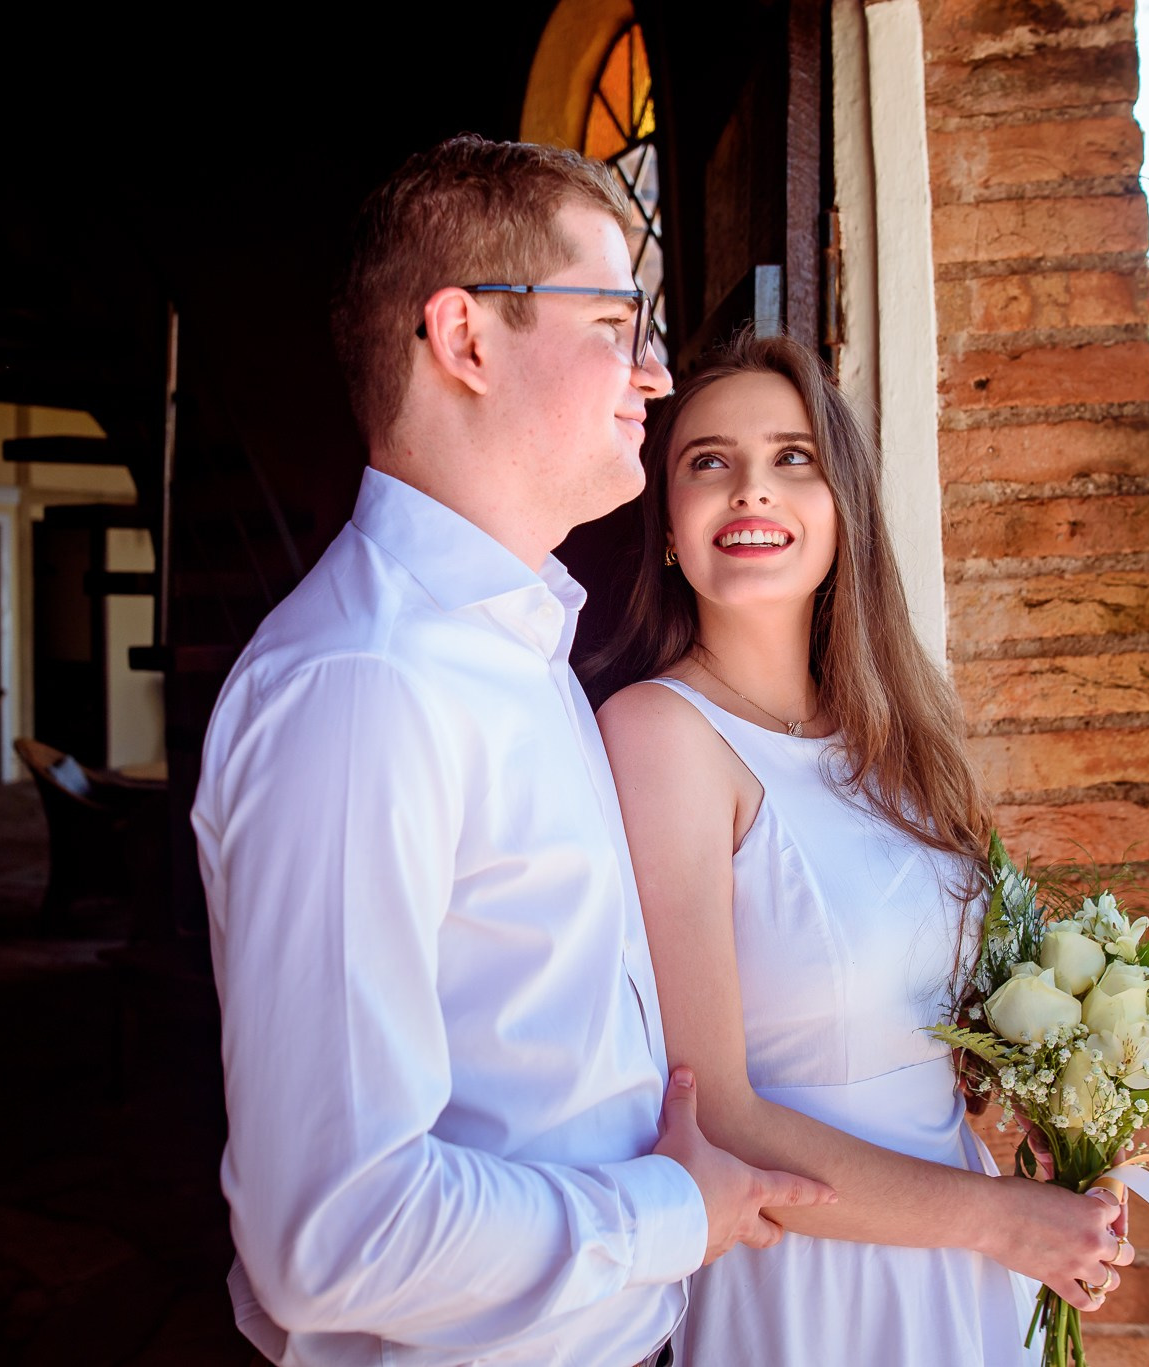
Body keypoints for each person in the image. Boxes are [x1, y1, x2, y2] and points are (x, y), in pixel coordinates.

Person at [191, 137, 835, 1367]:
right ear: (466, 338)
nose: (652, 373)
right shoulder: (364, 685)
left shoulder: (518, 649)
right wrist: (672, 1213)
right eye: (614, 320)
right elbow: (332, 1232)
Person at [592, 330, 1137, 1366]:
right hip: (806, 1279)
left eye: (793, 457)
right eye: (707, 461)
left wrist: (1071, 1161)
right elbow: (717, 1109)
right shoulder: (658, 734)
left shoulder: (897, 743)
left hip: (962, 1264)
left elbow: (965, 1046)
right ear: (666, 521)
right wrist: (999, 1218)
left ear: (841, 505)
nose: (751, 489)